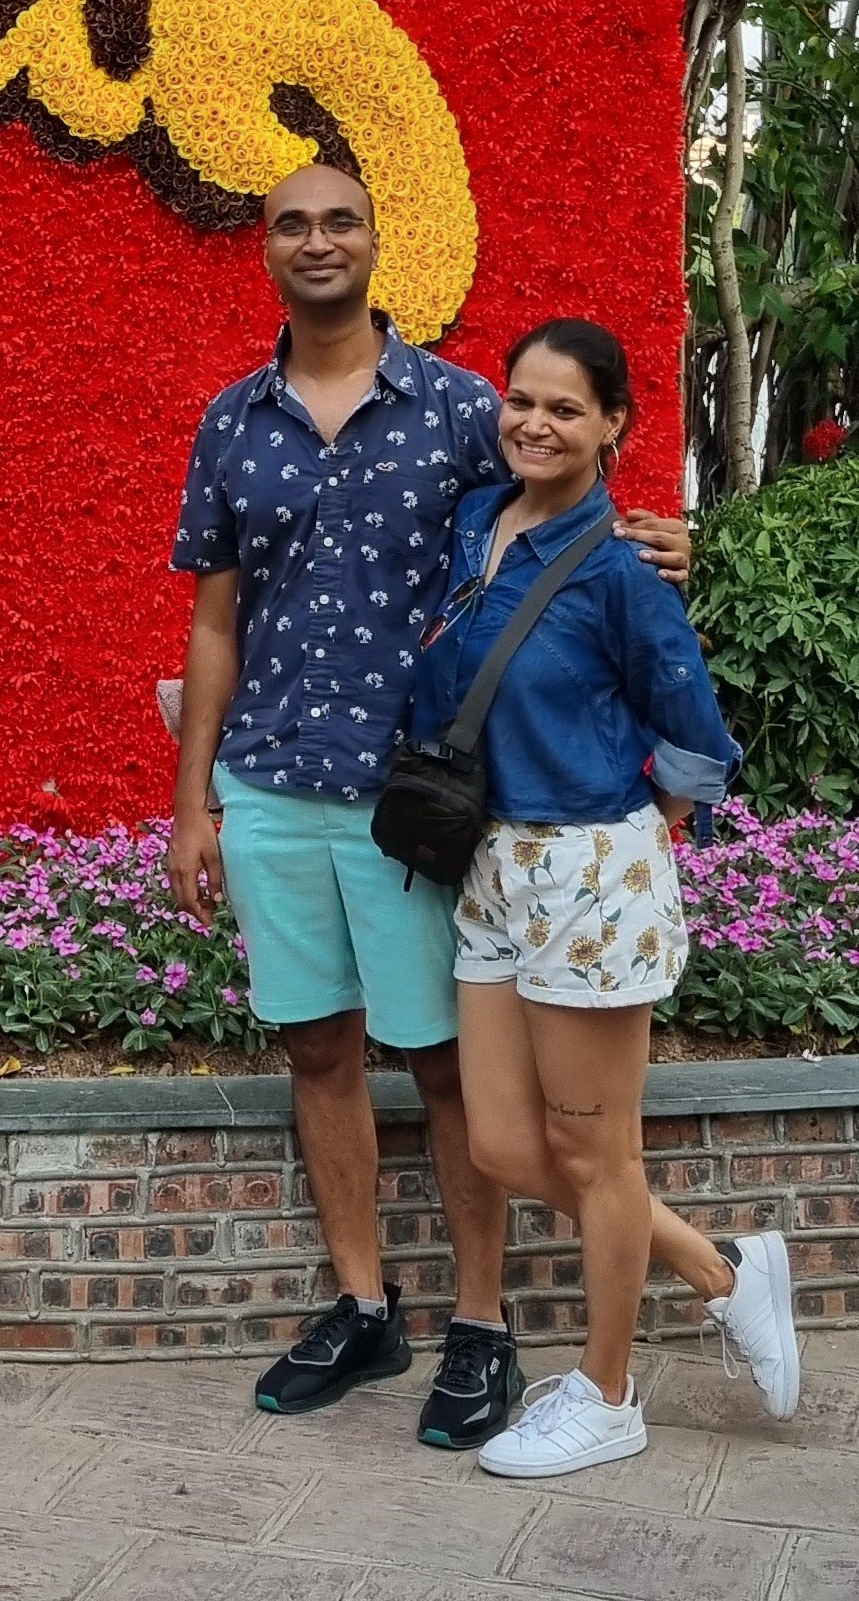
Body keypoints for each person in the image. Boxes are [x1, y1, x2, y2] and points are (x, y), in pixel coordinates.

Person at [165, 160, 690, 1450]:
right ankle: (363, 1302)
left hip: (416, 803)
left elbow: (555, 510)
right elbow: (214, 620)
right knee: (316, 1050)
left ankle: (480, 1325)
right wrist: (192, 802)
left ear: (373, 240)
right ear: (267, 251)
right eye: (292, 223)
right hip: (269, 785)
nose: (316, 239)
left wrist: (662, 541)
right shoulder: (230, 421)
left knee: (446, 1068)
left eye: (339, 219)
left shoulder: (459, 405)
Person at [414, 317, 798, 1477]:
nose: (534, 422)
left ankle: (607, 1393)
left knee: (596, 1157)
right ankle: (723, 1275)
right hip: (485, 865)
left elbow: (696, 742)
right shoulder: (480, 523)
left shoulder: (624, 570)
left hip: (587, 870)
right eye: (521, 400)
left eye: (565, 408)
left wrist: (628, 841)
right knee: (498, 1141)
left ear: (614, 426)